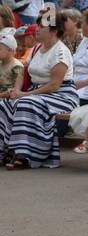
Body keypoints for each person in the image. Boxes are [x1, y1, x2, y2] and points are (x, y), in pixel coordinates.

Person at [0, 16, 80, 168]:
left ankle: (27, 154)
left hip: (62, 94)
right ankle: (6, 150)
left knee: (25, 103)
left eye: (41, 26)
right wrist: (16, 90)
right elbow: (23, 72)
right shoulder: (37, 48)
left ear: (54, 31)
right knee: (5, 103)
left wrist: (23, 94)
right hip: (37, 92)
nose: (37, 29)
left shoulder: (61, 51)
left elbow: (55, 85)